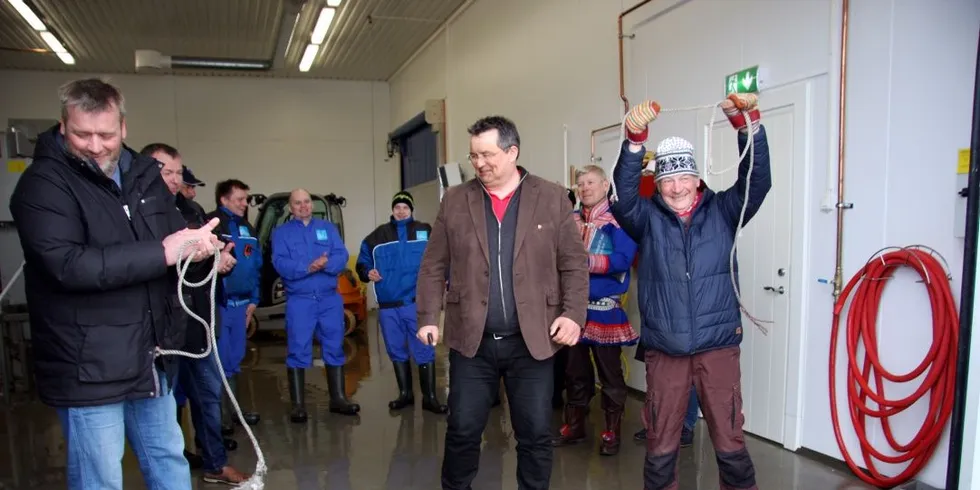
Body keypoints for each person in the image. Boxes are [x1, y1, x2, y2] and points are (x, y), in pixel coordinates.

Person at [8, 77, 223, 490]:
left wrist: (199, 251)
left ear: (123, 128)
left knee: (168, 462)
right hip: (89, 364)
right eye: (81, 134)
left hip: (150, 356)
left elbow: (173, 239)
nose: (95, 145)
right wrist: (163, 252)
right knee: (99, 477)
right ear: (62, 125)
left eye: (105, 134)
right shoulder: (43, 184)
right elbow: (67, 265)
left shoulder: (145, 178)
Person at [415, 115, 589, 490]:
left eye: (488, 154)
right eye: (474, 155)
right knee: (461, 431)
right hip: (472, 341)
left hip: (534, 341)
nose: (479, 163)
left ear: (513, 152)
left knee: (535, 434)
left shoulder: (551, 197)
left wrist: (574, 314)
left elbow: (574, 263)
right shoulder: (456, 200)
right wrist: (428, 316)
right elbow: (433, 264)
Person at [611, 93, 770, 490]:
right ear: (658, 183)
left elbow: (758, 180)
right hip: (666, 348)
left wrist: (748, 127)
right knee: (661, 443)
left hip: (718, 346)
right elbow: (622, 196)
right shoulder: (646, 218)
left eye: (684, 177)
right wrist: (634, 141)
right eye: (668, 180)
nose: (678, 187)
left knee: (730, 439)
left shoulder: (725, 210)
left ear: (698, 178)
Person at [142, 143, 249, 484]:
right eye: (166, 172)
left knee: (207, 395)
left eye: (178, 172)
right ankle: (170, 468)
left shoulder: (194, 211)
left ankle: (215, 463)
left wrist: (222, 261)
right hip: (161, 328)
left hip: (198, 323)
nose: (174, 179)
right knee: (163, 403)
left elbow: (213, 252)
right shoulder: (136, 214)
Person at [552, 165, 638, 456]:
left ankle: (612, 431)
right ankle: (575, 426)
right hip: (574, 310)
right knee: (574, 371)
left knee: (610, 374)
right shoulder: (571, 219)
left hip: (604, 309)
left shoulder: (619, 220)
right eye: (580, 184)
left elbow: (623, 260)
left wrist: (583, 262)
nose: (584, 188)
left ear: (604, 185)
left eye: (590, 182)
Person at [355, 191, 447, 414]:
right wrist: (368, 272)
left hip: (417, 304)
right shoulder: (377, 236)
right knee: (396, 350)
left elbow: (441, 257)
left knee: (424, 348)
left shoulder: (425, 231)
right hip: (389, 308)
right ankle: (405, 394)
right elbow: (362, 262)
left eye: (405, 206)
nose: (401, 210)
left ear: (411, 209)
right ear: (392, 209)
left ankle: (430, 397)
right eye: (397, 206)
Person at [272, 188, 360, 419]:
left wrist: (327, 263)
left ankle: (338, 398)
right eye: (298, 203)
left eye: (307, 202)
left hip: (329, 298)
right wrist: (307, 267)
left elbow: (341, 255)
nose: (304, 206)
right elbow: (279, 263)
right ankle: (298, 405)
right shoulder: (281, 234)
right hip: (300, 300)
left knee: (335, 345)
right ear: (291, 208)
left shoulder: (327, 229)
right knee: (298, 347)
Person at [207, 179, 263, 432]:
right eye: (240, 199)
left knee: (235, 359)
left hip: (242, 306)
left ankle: (235, 412)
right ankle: (219, 417)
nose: (245, 203)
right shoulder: (211, 225)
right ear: (224, 199)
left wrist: (254, 301)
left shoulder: (248, 228)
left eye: (246, 199)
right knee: (217, 361)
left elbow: (255, 268)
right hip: (219, 305)